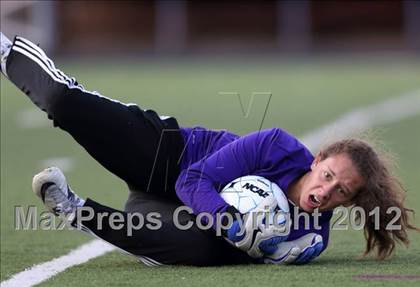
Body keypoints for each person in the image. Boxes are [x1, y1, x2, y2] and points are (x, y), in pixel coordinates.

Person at [1, 33, 417, 267]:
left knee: (203, 249)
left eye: (341, 191)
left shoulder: (312, 237)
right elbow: (192, 179)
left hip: (168, 213)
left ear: (349, 200)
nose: (327, 192)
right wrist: (229, 220)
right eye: (328, 176)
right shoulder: (275, 146)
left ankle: (77, 212)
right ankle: (6, 50)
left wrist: (264, 250)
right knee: (63, 103)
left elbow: (242, 253)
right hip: (168, 156)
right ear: (317, 160)